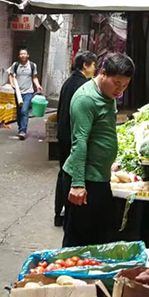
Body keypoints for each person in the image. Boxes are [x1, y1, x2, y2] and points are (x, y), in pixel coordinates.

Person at [61, 52, 135, 247]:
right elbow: (79, 142)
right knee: (77, 242)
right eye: (117, 83)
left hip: (99, 177)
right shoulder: (86, 99)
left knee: (99, 238)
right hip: (85, 180)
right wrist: (78, 184)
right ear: (102, 73)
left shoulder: (108, 94)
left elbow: (102, 132)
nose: (120, 90)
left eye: (125, 85)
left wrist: (107, 162)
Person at [54, 50, 98, 227]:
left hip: (63, 134)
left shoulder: (69, 82)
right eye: (93, 65)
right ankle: (67, 214)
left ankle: (59, 213)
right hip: (72, 137)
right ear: (85, 65)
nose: (95, 69)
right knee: (70, 175)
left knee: (63, 173)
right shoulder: (83, 86)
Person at [9, 47, 43, 140]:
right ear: (19, 56)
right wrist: (12, 84)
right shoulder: (15, 65)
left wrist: (38, 85)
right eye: (21, 54)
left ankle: (23, 131)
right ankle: (20, 128)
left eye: (24, 54)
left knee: (24, 110)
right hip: (18, 93)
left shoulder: (32, 65)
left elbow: (34, 77)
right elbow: (11, 75)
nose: (23, 55)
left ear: (28, 55)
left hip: (28, 92)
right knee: (19, 112)